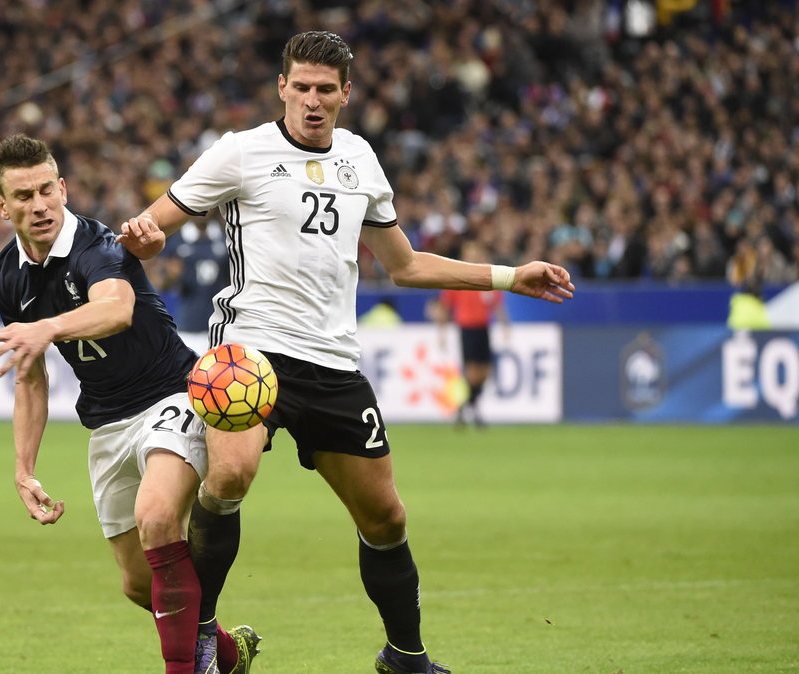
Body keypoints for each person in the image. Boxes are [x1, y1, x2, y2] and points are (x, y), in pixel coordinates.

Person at [119, 31, 575, 674]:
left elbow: (406, 266)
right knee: (230, 475)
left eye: (325, 90)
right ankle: (203, 639)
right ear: (281, 87)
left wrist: (506, 275)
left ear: (346, 95)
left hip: (334, 363)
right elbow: (149, 227)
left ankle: (405, 656)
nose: (312, 100)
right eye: (300, 87)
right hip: (251, 349)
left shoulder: (361, 159)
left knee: (386, 517)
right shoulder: (240, 153)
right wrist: (143, 237)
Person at [0, 134, 259, 674]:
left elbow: (117, 308)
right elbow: (31, 380)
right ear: (2, 205)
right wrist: (23, 469)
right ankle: (228, 651)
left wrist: (47, 327)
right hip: (108, 422)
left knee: (157, 519)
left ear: (62, 189)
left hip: (172, 394)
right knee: (140, 584)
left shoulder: (97, 245)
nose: (38, 206)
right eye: (23, 196)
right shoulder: (7, 274)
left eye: (46, 191)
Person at [434, 239, 511, 429]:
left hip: (483, 327)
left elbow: (497, 303)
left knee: (485, 372)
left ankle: (464, 406)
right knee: (472, 371)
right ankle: (473, 410)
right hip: (466, 327)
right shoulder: (457, 275)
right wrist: (441, 332)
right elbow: (445, 306)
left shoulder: (486, 275)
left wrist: (504, 325)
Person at [154, 214, 230, 353]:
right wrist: (171, 277)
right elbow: (160, 283)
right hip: (188, 326)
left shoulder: (225, 237)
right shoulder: (177, 240)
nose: (204, 211)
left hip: (220, 327)